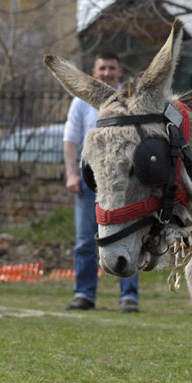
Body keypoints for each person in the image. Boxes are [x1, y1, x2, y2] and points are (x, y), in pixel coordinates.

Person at [63, 53, 140, 313]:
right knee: (85, 240)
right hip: (89, 180)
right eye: (102, 68)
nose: (107, 72)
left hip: (123, 181)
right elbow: (70, 140)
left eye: (111, 68)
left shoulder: (130, 100)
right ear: (94, 72)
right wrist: (71, 173)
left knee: (128, 235)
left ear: (119, 71)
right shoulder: (80, 102)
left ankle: (129, 296)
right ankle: (84, 294)